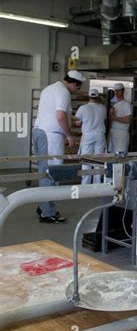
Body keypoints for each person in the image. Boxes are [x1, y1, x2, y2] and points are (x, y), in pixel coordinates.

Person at [32, 69, 86, 223]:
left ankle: (43, 206)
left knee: (44, 171)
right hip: (51, 135)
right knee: (53, 173)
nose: (77, 91)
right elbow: (60, 116)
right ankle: (48, 213)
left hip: (40, 131)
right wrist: (69, 135)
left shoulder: (50, 88)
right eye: (78, 87)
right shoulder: (63, 92)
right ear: (73, 83)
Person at [74, 89, 107, 184]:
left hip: (88, 135)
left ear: (88, 97)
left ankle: (85, 183)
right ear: (97, 97)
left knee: (86, 159)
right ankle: (97, 182)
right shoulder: (103, 108)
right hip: (100, 135)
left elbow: (77, 123)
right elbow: (103, 119)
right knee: (98, 159)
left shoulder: (82, 108)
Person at [108, 83, 132, 153]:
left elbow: (127, 119)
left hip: (122, 133)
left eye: (119, 90)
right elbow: (110, 120)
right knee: (111, 155)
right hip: (113, 132)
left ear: (123, 91)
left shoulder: (127, 104)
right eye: (115, 90)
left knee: (120, 155)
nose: (117, 92)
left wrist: (114, 117)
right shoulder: (114, 104)